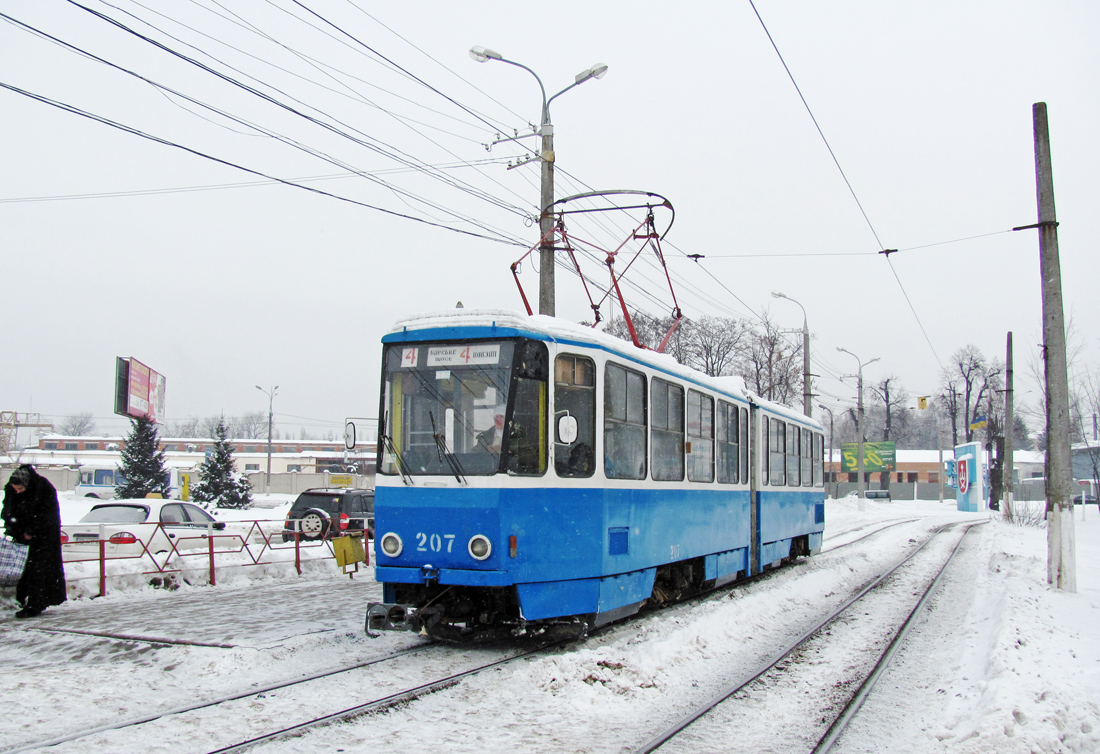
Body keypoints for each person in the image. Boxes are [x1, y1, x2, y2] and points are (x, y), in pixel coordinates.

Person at [2, 465, 66, 619]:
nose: (17, 492)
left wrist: (32, 529)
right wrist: (14, 527)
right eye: (15, 489)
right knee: (29, 569)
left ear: (26, 484)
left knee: (38, 571)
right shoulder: (14, 490)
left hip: (44, 538)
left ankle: (35, 603)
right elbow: (8, 510)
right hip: (24, 537)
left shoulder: (42, 488)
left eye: (19, 489)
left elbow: (47, 516)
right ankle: (25, 599)